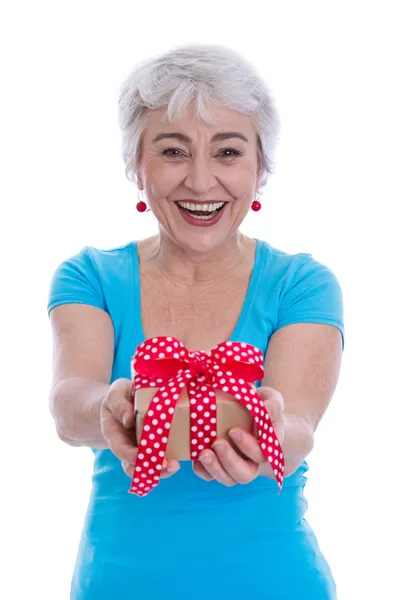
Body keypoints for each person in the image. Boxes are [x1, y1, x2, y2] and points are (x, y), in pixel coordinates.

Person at [47, 44, 345, 599]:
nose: (202, 181)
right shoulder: (90, 276)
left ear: (262, 169)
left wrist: (270, 434)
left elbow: (300, 427)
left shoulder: (301, 284)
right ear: (139, 166)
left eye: (228, 152)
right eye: (173, 151)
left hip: (276, 584)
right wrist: (109, 407)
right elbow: (69, 404)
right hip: (119, 586)